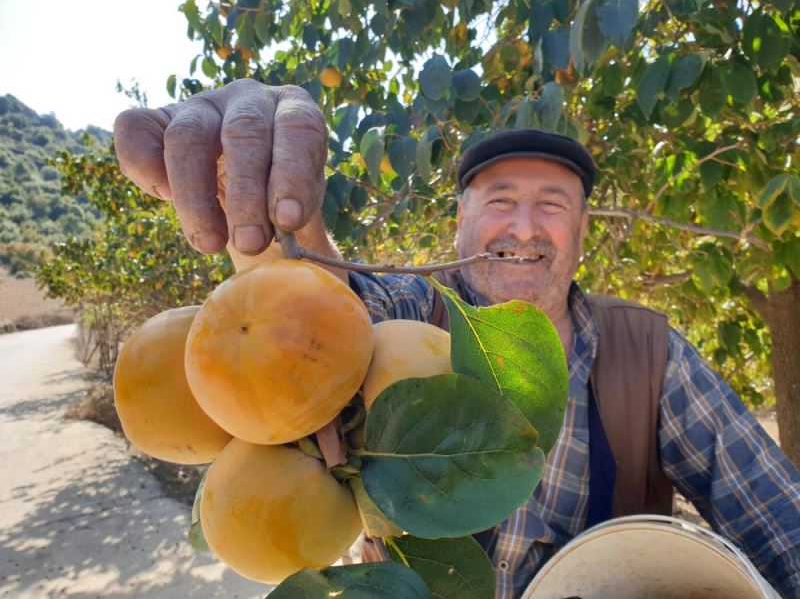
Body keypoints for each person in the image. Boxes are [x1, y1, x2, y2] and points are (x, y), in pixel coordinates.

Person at [114, 80, 800, 598]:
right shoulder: (415, 317)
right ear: (462, 222)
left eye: (553, 205)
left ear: (585, 228)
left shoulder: (651, 355)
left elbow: (781, 524)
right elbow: (312, 325)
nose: (525, 227)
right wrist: (262, 201)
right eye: (500, 200)